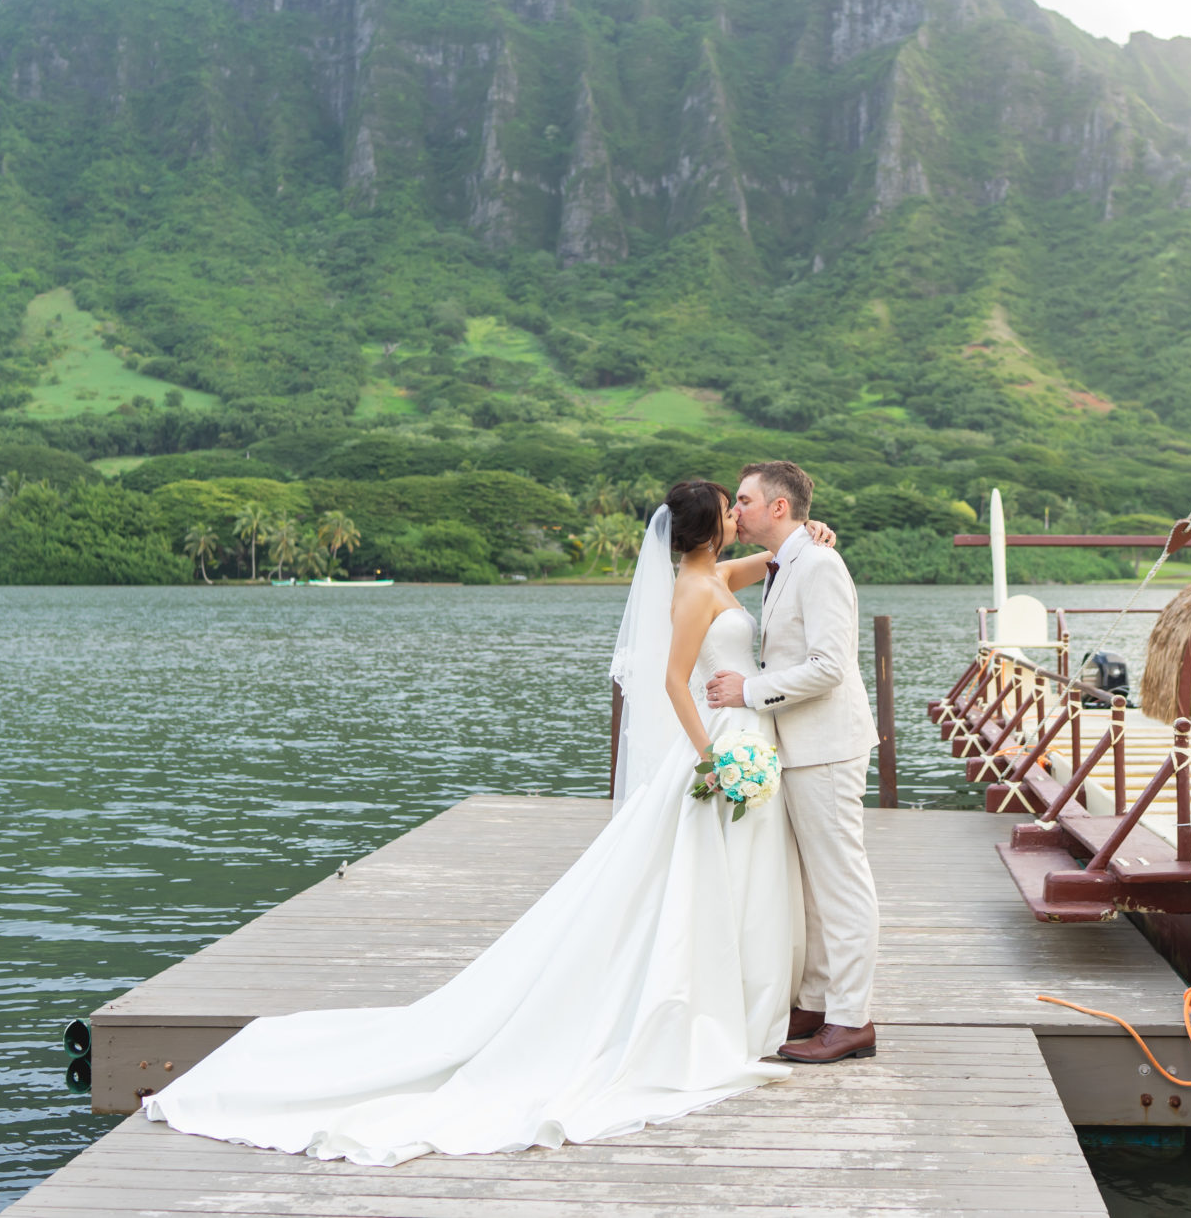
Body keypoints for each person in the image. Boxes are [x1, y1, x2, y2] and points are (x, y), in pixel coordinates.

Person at [140, 481, 836, 1166]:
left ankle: (751, 1003)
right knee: (696, 882)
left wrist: (813, 535)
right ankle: (711, 1011)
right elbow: (669, 680)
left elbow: (774, 561)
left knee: (733, 878)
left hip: (747, 732)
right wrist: (710, 756)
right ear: (709, 528)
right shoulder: (690, 592)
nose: (736, 516)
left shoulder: (717, 574)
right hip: (720, 744)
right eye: (728, 509)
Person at [706, 460, 883, 1064]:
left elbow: (830, 666)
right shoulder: (787, 562)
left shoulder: (821, 564)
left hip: (828, 744)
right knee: (812, 887)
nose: (736, 511)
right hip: (798, 747)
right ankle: (814, 1001)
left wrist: (748, 693)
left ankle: (852, 1018)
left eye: (745, 500)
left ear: (779, 507)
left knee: (841, 882)